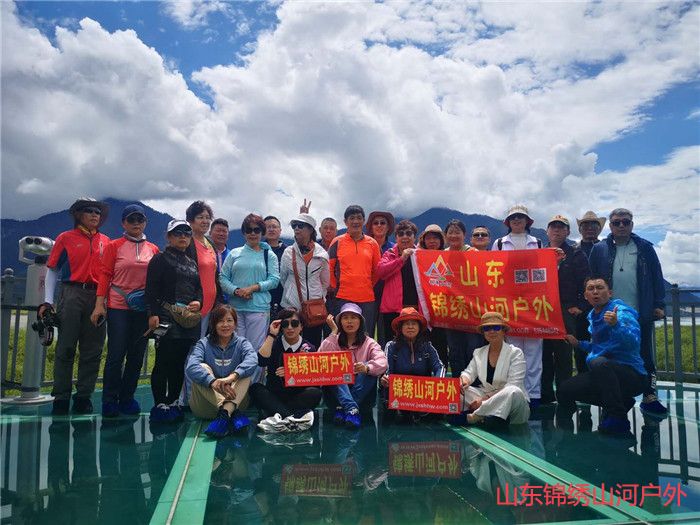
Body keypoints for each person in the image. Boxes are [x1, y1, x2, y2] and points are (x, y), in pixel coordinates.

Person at [589, 208, 667, 416]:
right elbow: (592, 279)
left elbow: (656, 276)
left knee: (645, 354)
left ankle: (650, 396)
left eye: (626, 222)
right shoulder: (599, 249)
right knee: (609, 355)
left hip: (640, 312)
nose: (621, 226)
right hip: (609, 315)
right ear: (610, 226)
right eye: (617, 222)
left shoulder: (645, 247)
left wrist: (659, 304)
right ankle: (617, 398)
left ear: (632, 225)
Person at [41, 197, 110, 415]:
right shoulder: (65, 238)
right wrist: (47, 301)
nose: (94, 215)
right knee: (66, 347)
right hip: (71, 293)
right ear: (79, 215)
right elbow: (53, 269)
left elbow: (109, 274)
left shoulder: (106, 241)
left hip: (98, 296)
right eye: (89, 211)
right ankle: (61, 397)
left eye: (98, 212)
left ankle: (83, 397)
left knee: (93, 349)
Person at [92, 204, 159, 417]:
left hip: (142, 309)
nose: (136, 223)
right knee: (116, 354)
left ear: (145, 222)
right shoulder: (114, 246)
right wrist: (99, 305)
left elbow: (156, 281)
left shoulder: (153, 249)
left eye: (140, 219)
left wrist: (154, 310)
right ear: (123, 223)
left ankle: (127, 398)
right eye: (131, 219)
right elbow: (105, 275)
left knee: (137, 355)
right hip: (118, 307)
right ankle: (109, 400)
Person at [558, 278, 648, 436]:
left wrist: (616, 325)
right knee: (564, 389)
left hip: (632, 375)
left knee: (599, 363)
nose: (595, 292)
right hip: (605, 374)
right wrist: (578, 344)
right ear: (585, 296)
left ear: (610, 292)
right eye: (591, 289)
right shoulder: (593, 315)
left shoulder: (620, 312)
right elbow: (599, 347)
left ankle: (618, 418)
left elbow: (633, 342)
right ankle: (622, 401)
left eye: (600, 287)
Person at [145, 220, 202, 423]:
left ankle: (173, 401)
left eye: (186, 233)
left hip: (187, 319)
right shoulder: (160, 259)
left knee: (179, 362)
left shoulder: (192, 262)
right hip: (165, 316)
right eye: (178, 233)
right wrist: (152, 314)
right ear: (169, 236)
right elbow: (150, 290)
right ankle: (160, 403)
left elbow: (198, 289)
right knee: (163, 360)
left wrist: (198, 302)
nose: (183, 236)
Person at [493, 204, 543, 406]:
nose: (517, 220)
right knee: (513, 350)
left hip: (533, 302)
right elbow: (492, 271)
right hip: (509, 302)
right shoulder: (499, 243)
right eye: (513, 218)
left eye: (520, 217)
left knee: (534, 350)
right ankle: (515, 393)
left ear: (527, 221)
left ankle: (534, 394)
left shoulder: (538, 242)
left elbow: (543, 270)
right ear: (508, 222)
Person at [219, 213, 280, 381]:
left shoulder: (269, 255)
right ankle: (235, 385)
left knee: (255, 349)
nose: (253, 233)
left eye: (257, 230)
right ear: (244, 232)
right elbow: (223, 278)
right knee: (235, 348)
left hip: (258, 309)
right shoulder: (234, 253)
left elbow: (274, 280)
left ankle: (252, 387)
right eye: (249, 230)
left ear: (262, 232)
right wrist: (236, 291)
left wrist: (253, 288)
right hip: (235, 309)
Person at [186, 304, 258, 438]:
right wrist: (212, 382)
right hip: (205, 407)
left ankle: (224, 415)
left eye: (229, 320)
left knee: (244, 373)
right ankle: (228, 411)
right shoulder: (203, 343)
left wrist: (233, 376)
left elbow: (253, 360)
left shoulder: (242, 343)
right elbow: (191, 367)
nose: (225, 325)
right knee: (202, 368)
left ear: (235, 324)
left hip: (237, 402)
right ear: (213, 324)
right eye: (220, 321)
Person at [541, 215, 590, 405]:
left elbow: (585, 282)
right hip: (542, 308)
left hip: (565, 310)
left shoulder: (576, 254)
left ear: (568, 232)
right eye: (553, 227)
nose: (557, 230)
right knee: (543, 353)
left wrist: (580, 306)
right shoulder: (539, 253)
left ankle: (564, 395)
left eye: (561, 227)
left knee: (564, 355)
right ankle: (545, 395)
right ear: (547, 231)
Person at [251, 309, 322, 433]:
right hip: (275, 394)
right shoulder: (273, 343)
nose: (290, 328)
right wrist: (271, 335)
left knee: (315, 393)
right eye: (285, 324)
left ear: (301, 326)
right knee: (255, 388)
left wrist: (292, 372)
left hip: (298, 396)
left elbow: (314, 380)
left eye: (294, 323)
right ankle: (292, 418)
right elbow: (261, 361)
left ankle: (276, 415)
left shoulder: (309, 348)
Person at [319, 303, 387, 428]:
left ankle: (345, 407)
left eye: (353, 317)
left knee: (368, 367)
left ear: (360, 321)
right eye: (345, 318)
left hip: (362, 390)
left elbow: (382, 362)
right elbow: (321, 359)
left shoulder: (369, 343)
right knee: (334, 365)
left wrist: (367, 368)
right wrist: (333, 332)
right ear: (340, 322)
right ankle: (351, 409)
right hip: (337, 391)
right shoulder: (334, 340)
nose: (349, 321)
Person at [458, 312, 530, 427]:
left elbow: (514, 383)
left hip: (511, 403)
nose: (491, 331)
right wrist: (464, 381)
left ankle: (475, 417)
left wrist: (484, 401)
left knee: (513, 391)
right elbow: (468, 373)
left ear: (503, 331)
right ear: (483, 333)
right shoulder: (479, 352)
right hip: (485, 394)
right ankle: (488, 415)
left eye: (496, 327)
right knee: (458, 391)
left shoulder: (515, 353)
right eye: (487, 328)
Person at [380, 308, 445, 422]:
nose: (410, 327)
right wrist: (386, 378)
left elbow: (439, 366)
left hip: (422, 393)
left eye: (414, 324)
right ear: (400, 328)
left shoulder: (427, 346)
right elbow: (387, 368)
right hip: (399, 393)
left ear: (419, 327)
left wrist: (438, 382)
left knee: (438, 416)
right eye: (406, 324)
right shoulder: (391, 346)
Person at [327, 205, 381, 336]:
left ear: (364, 221)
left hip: (366, 298)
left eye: (359, 218)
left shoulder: (372, 243)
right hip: (342, 297)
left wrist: (367, 285)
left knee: (365, 336)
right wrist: (335, 288)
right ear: (345, 222)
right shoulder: (337, 242)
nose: (355, 221)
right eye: (352, 218)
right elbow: (329, 268)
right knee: (343, 336)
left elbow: (377, 270)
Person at [278, 214, 330, 347]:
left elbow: (325, 282)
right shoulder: (288, 252)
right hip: (291, 307)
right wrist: (291, 294)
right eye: (294, 226)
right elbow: (283, 278)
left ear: (311, 229)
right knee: (290, 346)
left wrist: (317, 296)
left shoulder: (322, 254)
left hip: (315, 309)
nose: (296, 229)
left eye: (300, 226)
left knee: (313, 346)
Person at [444, 219, 484, 378]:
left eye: (457, 232)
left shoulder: (473, 253)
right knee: (454, 349)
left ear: (464, 235)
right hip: (451, 310)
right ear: (445, 236)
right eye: (450, 232)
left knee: (473, 348)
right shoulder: (441, 255)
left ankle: (473, 384)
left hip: (471, 310)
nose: (454, 235)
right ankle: (457, 382)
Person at [376, 220, 418, 340]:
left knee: (416, 343)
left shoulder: (420, 254)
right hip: (393, 308)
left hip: (416, 307)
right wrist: (401, 259)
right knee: (393, 343)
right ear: (396, 238)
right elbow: (381, 272)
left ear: (414, 237)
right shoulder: (389, 254)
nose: (405, 237)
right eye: (401, 234)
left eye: (408, 233)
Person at [185, 201, 222, 337]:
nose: (205, 221)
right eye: (200, 217)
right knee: (191, 342)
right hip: (193, 303)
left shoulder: (210, 242)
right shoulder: (187, 243)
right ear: (190, 220)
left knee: (201, 341)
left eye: (207, 217)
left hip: (210, 303)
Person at [416, 224, 449, 367]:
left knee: (441, 344)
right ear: (423, 240)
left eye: (436, 238)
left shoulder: (449, 256)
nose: (432, 241)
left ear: (441, 240)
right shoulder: (417, 257)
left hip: (444, 309)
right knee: (423, 346)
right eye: (428, 238)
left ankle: (441, 375)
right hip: (424, 308)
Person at [367, 211, 396, 345]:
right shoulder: (364, 246)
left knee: (386, 335)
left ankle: (385, 357)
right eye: (375, 223)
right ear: (371, 227)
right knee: (366, 332)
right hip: (367, 295)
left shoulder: (394, 248)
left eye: (383, 223)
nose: (379, 225)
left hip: (388, 296)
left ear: (388, 227)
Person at [264, 215, 287, 317]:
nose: (271, 229)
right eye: (268, 227)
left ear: (280, 230)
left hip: (284, 300)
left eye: (274, 226)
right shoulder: (258, 250)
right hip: (263, 299)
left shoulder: (288, 251)